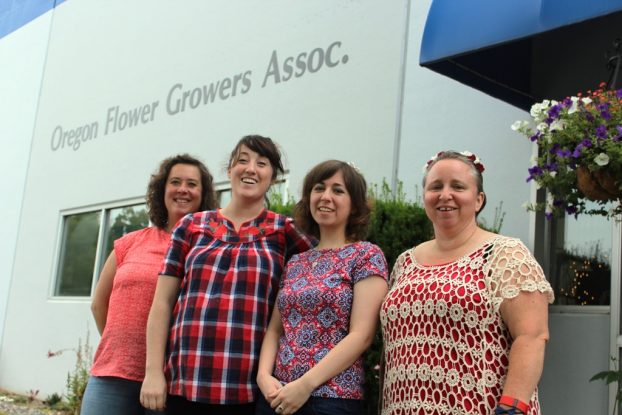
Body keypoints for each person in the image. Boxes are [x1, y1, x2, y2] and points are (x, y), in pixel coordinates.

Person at [140, 135, 315, 415]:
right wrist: (153, 373)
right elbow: (162, 303)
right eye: (242, 160)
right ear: (229, 169)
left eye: (262, 163)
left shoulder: (285, 231)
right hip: (184, 383)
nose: (250, 169)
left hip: (247, 390)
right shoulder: (192, 225)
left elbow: (322, 276)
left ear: (273, 177)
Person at [380, 150, 554, 415]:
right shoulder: (405, 261)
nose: (445, 194)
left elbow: (532, 336)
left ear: (478, 199)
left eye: (458, 186)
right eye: (435, 186)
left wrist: (512, 408)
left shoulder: (505, 254)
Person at [81, 154, 217, 415]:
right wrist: (122, 347)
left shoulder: (207, 250)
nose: (182, 189)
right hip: (112, 375)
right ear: (162, 190)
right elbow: (99, 304)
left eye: (192, 184)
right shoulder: (130, 242)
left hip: (172, 381)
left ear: (203, 194)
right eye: (175, 181)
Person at [256, 160, 389, 415]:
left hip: (331, 399)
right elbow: (275, 330)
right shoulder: (296, 261)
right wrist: (263, 375)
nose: (326, 196)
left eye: (338, 190)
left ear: (354, 204)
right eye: (319, 188)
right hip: (276, 395)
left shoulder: (366, 255)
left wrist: (305, 385)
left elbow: (361, 336)